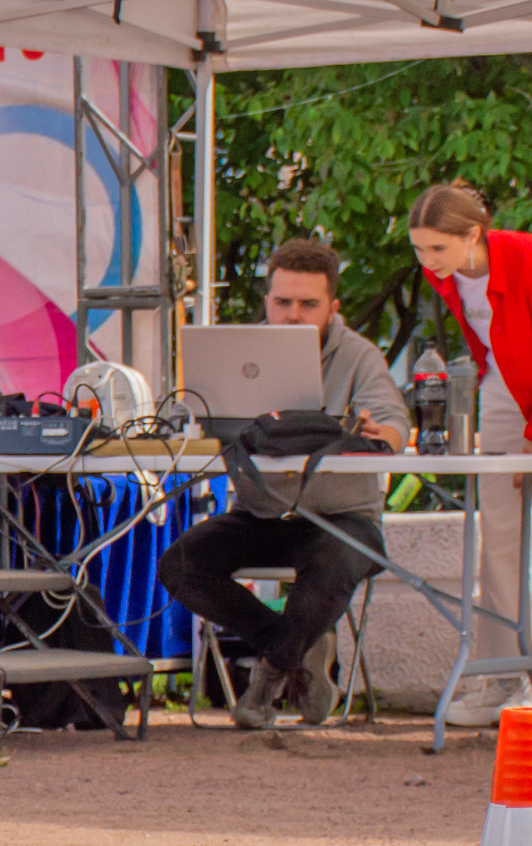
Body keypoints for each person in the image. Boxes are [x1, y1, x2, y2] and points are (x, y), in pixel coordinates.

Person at [160, 239, 408, 729]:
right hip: (263, 512)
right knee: (180, 565)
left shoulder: (359, 356)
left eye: (308, 304)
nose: (293, 315)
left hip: (341, 516)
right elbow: (186, 415)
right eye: (283, 302)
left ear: (333, 308)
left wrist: (386, 434)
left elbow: (392, 420)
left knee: (332, 560)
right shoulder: (236, 353)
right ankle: (299, 652)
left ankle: (266, 682)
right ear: (267, 301)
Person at [408, 181, 532, 733]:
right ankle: (497, 673)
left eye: (438, 249)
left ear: (474, 234)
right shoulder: (441, 271)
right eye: (419, 250)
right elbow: (483, 339)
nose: (429, 262)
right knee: (497, 533)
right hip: (504, 381)